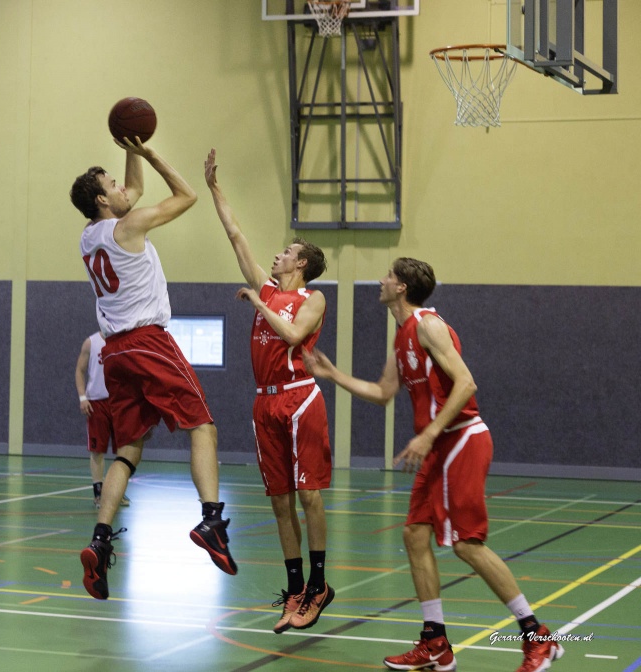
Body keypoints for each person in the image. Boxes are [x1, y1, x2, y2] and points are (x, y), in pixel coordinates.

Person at [303, 257, 564, 672]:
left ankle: (537, 636)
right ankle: (435, 642)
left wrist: (427, 434)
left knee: (465, 544)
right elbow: (383, 391)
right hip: (438, 444)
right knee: (414, 535)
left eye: (389, 275)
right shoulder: (401, 335)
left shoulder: (429, 325)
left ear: (403, 287)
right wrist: (334, 375)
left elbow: (466, 384)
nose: (382, 280)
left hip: (460, 438)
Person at [70, 135, 237, 601]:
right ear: (104, 199)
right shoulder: (131, 226)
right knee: (202, 426)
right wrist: (152, 153)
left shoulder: (90, 235)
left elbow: (133, 192)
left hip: (114, 351)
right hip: (148, 342)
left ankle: (99, 541)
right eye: (112, 184)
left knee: (128, 448)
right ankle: (211, 520)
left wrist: (129, 145)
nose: (124, 186)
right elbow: (187, 195)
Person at [204, 148, 334, 633]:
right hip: (265, 400)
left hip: (300, 398)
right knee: (279, 500)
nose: (276, 255)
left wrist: (259, 300)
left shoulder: (312, 297)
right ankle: (296, 589)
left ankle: (319, 585)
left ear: (300, 263)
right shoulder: (269, 288)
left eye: (285, 252)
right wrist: (216, 187)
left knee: (308, 496)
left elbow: (295, 336)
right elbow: (236, 234)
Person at [74, 332, 130, 509]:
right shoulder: (91, 343)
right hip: (97, 403)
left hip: (119, 402)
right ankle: (99, 494)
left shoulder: (124, 341)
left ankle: (117, 491)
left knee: (124, 450)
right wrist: (83, 398)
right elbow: (80, 370)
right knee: (97, 450)